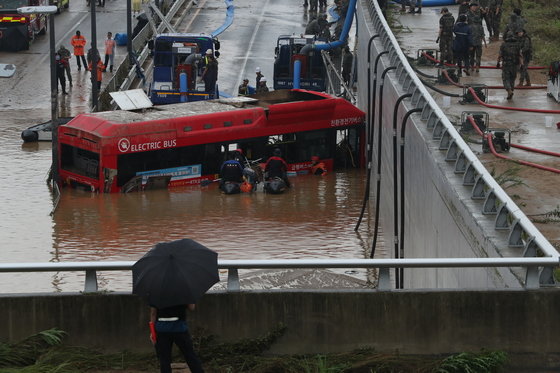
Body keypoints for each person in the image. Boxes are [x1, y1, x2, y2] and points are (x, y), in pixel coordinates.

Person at [150, 304, 204, 373]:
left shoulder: (156, 294)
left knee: (164, 358)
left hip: (162, 329)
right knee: (190, 355)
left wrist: (152, 331)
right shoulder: (182, 293)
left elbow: (153, 313)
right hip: (180, 328)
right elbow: (192, 307)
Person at [497, 31, 523, 100]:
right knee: (512, 78)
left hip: (506, 65)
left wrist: (498, 63)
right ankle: (510, 91)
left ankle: (509, 90)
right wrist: (522, 64)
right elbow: (520, 56)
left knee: (505, 79)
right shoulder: (517, 45)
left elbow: (500, 55)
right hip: (515, 65)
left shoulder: (503, 45)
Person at [466, 2, 485, 72]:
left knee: (477, 55)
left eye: (475, 6)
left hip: (475, 38)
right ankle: (473, 66)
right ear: (470, 7)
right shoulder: (467, 14)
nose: (475, 8)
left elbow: (482, 19)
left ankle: (476, 67)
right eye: (473, 6)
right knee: (472, 55)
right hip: (472, 38)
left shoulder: (478, 13)